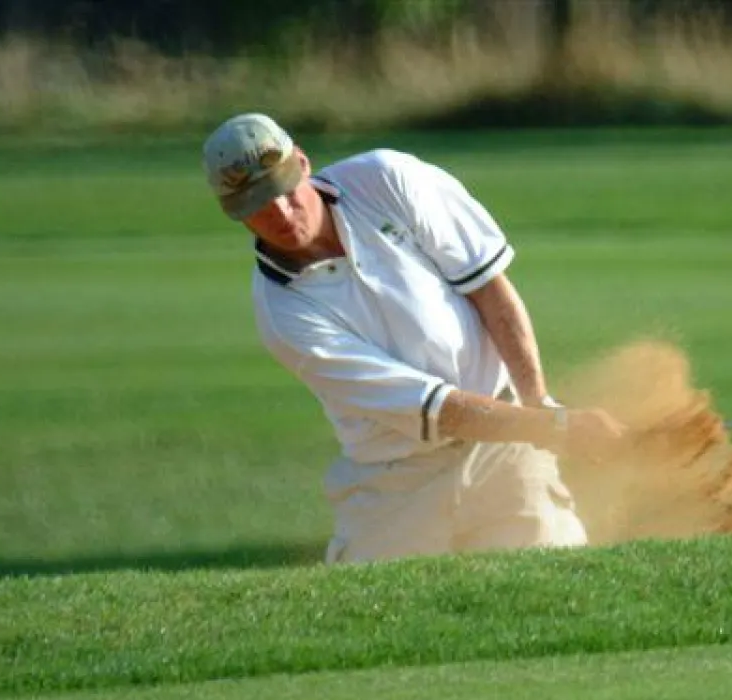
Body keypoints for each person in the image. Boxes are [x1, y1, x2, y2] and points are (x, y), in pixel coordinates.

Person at [201, 112, 627, 563]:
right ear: (234, 213)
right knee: (371, 604)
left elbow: (489, 289)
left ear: (303, 164)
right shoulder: (283, 313)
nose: (282, 215)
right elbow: (437, 408)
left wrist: (538, 402)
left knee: (551, 574)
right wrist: (554, 428)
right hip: (395, 479)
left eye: (284, 192)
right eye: (260, 208)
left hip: (505, 445)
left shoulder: (386, 180)